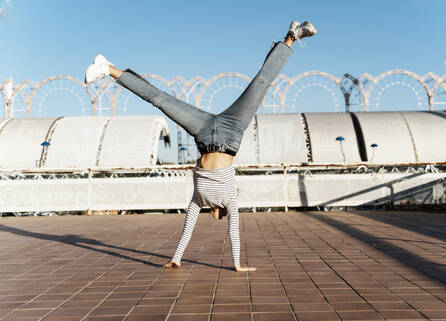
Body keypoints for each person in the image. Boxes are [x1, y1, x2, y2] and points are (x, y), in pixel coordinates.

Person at [85, 21, 317, 272]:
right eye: (217, 218)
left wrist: (176, 258)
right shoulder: (230, 201)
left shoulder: (199, 200)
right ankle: (292, 35)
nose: (215, 218)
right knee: (260, 85)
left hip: (204, 133)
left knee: (160, 99)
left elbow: (187, 229)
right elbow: (234, 232)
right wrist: (237, 265)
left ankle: (107, 67)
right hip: (232, 131)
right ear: (220, 213)